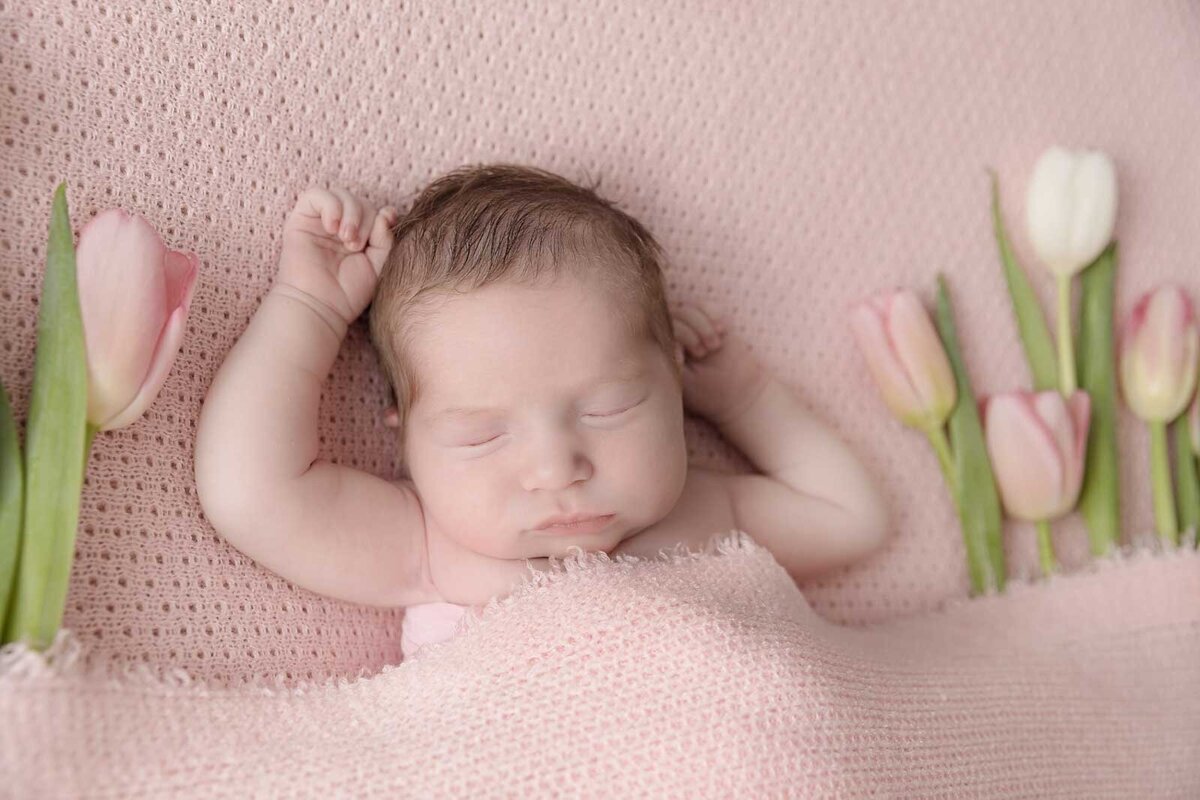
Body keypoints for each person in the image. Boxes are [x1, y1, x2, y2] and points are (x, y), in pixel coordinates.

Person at [194, 164, 890, 657]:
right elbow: (253, 493)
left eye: (611, 408)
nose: (557, 468)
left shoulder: (706, 518)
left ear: (675, 392)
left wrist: (746, 400)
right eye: (481, 434)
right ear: (408, 446)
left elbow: (854, 519)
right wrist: (307, 309)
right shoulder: (434, 548)